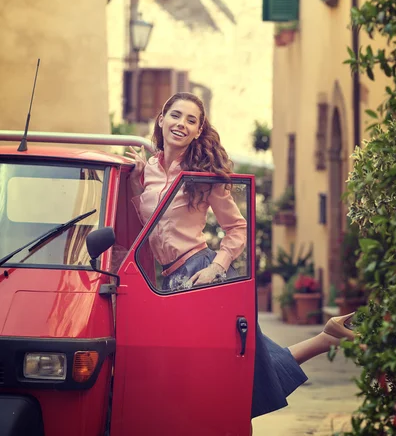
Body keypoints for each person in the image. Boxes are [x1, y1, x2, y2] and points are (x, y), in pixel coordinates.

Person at [125, 92, 355, 421]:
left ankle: (326, 338)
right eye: (176, 116)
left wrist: (215, 269)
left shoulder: (202, 175)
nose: (182, 124)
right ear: (161, 119)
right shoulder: (148, 170)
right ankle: (327, 337)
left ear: (198, 130)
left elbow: (237, 228)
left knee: (227, 372)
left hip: (199, 272)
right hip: (168, 279)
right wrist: (135, 184)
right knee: (236, 369)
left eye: (191, 120)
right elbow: (146, 228)